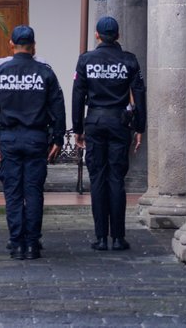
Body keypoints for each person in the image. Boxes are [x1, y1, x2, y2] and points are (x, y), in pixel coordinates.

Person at [0, 25, 66, 260]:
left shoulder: (0, 72)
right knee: (33, 191)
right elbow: (58, 108)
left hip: (9, 138)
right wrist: (58, 138)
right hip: (36, 138)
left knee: (12, 192)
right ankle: (32, 244)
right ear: (34, 46)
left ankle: (17, 242)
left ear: (11, 44)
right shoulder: (45, 73)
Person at [72, 16, 146, 252]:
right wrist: (140, 127)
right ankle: (118, 237)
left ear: (97, 35)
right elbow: (140, 96)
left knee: (98, 179)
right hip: (119, 123)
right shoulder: (129, 60)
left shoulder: (86, 60)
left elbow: (77, 96)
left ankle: (101, 237)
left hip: (95, 120)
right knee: (116, 179)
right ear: (118, 36)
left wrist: (78, 129)